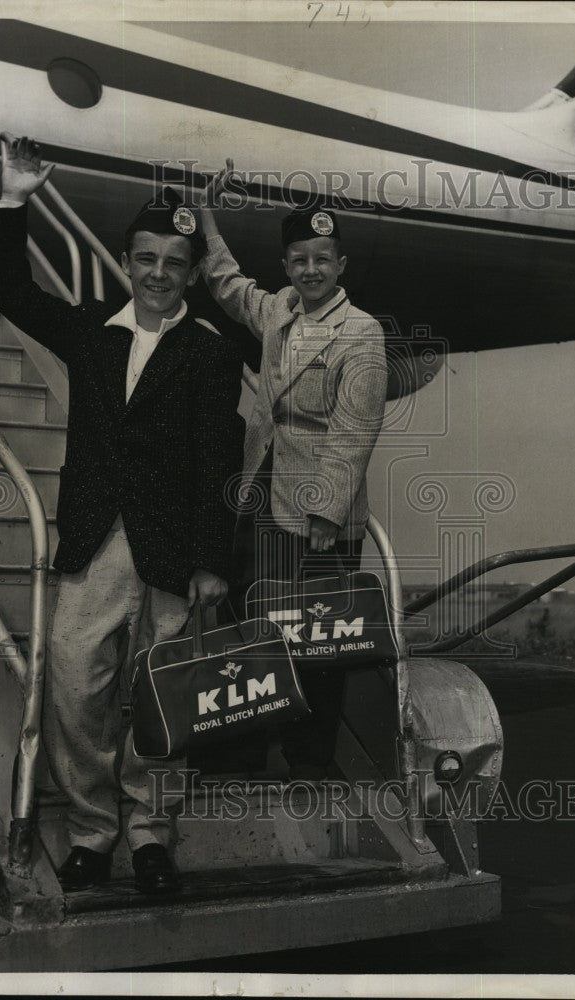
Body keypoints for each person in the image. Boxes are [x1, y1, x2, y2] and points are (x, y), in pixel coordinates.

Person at [0, 135, 245, 894]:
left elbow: (219, 461)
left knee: (165, 692)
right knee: (74, 682)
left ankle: (152, 833)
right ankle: (94, 831)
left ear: (192, 273)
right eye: (146, 259)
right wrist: (11, 198)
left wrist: (211, 561)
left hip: (172, 551)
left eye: (173, 263)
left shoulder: (210, 349)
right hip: (97, 539)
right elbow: (10, 290)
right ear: (127, 263)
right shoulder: (91, 332)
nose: (158, 274)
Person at [199, 162, 387, 780]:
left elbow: (354, 430)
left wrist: (327, 512)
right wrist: (205, 216)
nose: (310, 270)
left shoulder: (361, 333)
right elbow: (226, 283)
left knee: (319, 639)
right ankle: (246, 754)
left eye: (322, 259)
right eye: (299, 259)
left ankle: (311, 762)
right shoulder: (278, 311)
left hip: (319, 513)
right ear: (287, 266)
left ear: (341, 266)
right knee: (262, 625)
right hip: (264, 496)